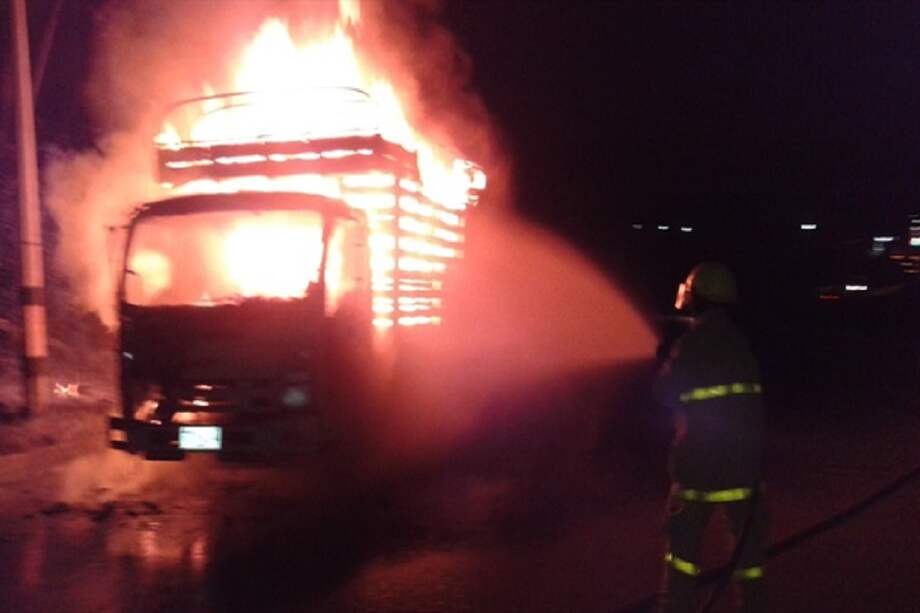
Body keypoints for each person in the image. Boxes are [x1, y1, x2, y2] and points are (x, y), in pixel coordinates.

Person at [654, 261, 767, 613]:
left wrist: (663, 362)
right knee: (749, 565)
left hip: (696, 472)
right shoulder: (741, 344)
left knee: (682, 562)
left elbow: (663, 395)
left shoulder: (690, 346)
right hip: (744, 472)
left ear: (696, 299)